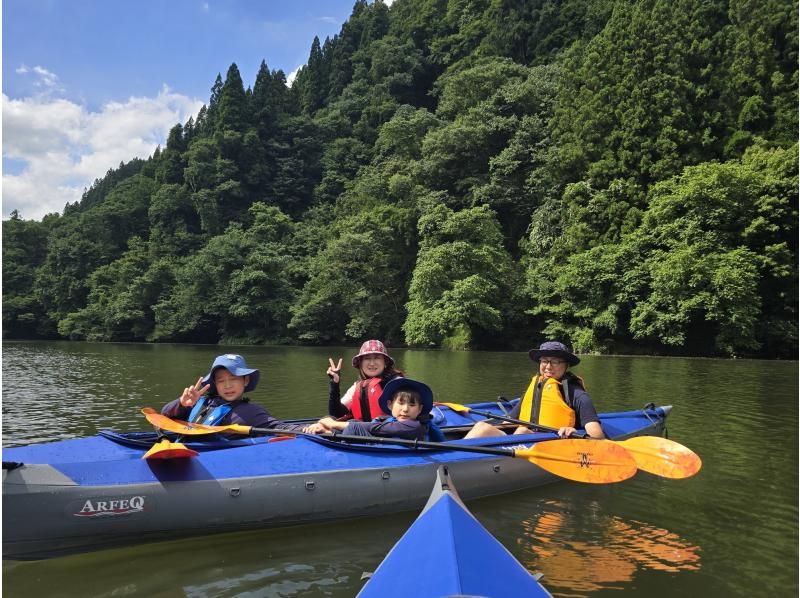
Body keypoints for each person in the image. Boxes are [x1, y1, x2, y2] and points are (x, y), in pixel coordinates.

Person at [464, 341, 604, 439]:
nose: (548, 366)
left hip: (552, 442)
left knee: (523, 430)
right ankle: (452, 458)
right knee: (482, 426)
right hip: (519, 440)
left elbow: (597, 436)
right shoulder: (536, 387)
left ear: (566, 365)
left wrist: (573, 431)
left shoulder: (576, 394)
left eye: (555, 361)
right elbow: (509, 422)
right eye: (544, 361)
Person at [161, 353, 306, 432]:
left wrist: (309, 429)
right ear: (215, 384)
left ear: (246, 381)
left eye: (233, 378)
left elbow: (280, 427)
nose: (228, 385)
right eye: (221, 380)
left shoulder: (251, 412)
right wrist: (181, 403)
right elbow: (164, 417)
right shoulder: (198, 402)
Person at [305, 377, 444, 441]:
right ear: (390, 405)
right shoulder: (390, 420)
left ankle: (329, 433)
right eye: (400, 403)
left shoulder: (413, 425)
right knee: (354, 424)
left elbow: (373, 428)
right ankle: (326, 433)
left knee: (355, 428)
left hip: (398, 454)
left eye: (412, 405)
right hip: (385, 446)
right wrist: (326, 427)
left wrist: (333, 424)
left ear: (420, 410)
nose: (405, 409)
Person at [325, 340, 405, 421]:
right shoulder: (358, 387)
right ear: (361, 364)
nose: (372, 363)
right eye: (367, 358)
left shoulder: (397, 383)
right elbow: (336, 414)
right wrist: (334, 383)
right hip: (364, 431)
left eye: (377, 358)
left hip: (391, 430)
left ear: (385, 362)